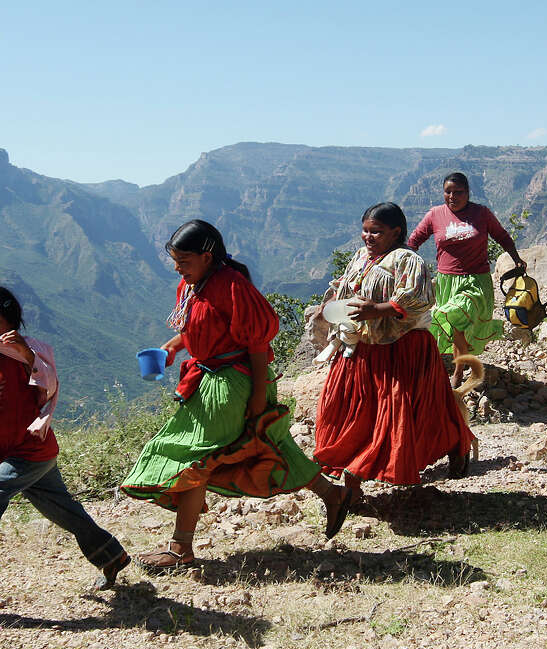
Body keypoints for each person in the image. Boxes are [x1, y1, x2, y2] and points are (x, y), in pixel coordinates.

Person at [120, 220, 354, 571]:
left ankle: (180, 548)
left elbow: (257, 347)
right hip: (209, 379)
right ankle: (334, 494)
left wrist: (258, 396)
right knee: (265, 445)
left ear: (207, 256)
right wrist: (171, 348)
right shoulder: (193, 284)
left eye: (183, 260)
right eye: (175, 260)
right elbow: (197, 327)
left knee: (193, 455)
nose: (176, 267)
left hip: (233, 384)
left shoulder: (232, 286)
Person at [0, 285, 128, 601]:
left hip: (32, 450)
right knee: (64, 512)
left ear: (11, 322)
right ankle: (111, 555)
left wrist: (25, 353)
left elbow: (48, 384)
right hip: (12, 451)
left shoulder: (26, 352)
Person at [313, 202, 477, 495]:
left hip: (402, 350)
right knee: (354, 412)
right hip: (363, 348)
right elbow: (347, 287)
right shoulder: (362, 257)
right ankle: (353, 477)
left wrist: (377, 309)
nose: (368, 237)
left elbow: (419, 299)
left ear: (395, 232)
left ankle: (454, 444)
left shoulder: (407, 260)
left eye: (376, 232)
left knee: (416, 412)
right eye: (365, 230)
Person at [407, 172, 526, 387]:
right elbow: (414, 241)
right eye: (448, 192)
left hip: (475, 281)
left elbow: (502, 236)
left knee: (456, 320)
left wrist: (516, 259)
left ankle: (458, 373)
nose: (452, 196)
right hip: (447, 282)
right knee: (456, 326)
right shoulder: (435, 214)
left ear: (468, 193)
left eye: (458, 192)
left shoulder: (481, 213)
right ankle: (459, 365)